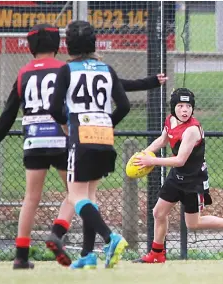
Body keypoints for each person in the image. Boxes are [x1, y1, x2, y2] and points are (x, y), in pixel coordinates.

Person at [0, 22, 167, 270]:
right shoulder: (95, 68)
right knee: (86, 194)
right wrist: (145, 87)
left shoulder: (50, 71)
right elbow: (121, 92)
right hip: (87, 139)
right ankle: (76, 245)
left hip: (57, 138)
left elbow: (33, 109)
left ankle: (98, 239)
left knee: (57, 196)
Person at [131, 88, 223, 263]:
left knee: (192, 224)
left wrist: (151, 161)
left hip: (193, 181)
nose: (185, 110)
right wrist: (143, 153)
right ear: (174, 108)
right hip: (176, 177)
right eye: (180, 106)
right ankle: (157, 253)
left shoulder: (192, 130)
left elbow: (180, 160)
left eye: (188, 106)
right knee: (158, 212)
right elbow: (163, 140)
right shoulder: (170, 121)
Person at [48, 20, 131, 269]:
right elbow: (124, 106)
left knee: (75, 196)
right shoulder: (106, 69)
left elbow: (54, 108)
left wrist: (66, 124)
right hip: (104, 137)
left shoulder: (67, 70)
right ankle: (86, 254)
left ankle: (110, 238)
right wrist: (107, 122)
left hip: (81, 136)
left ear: (68, 44)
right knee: (89, 196)